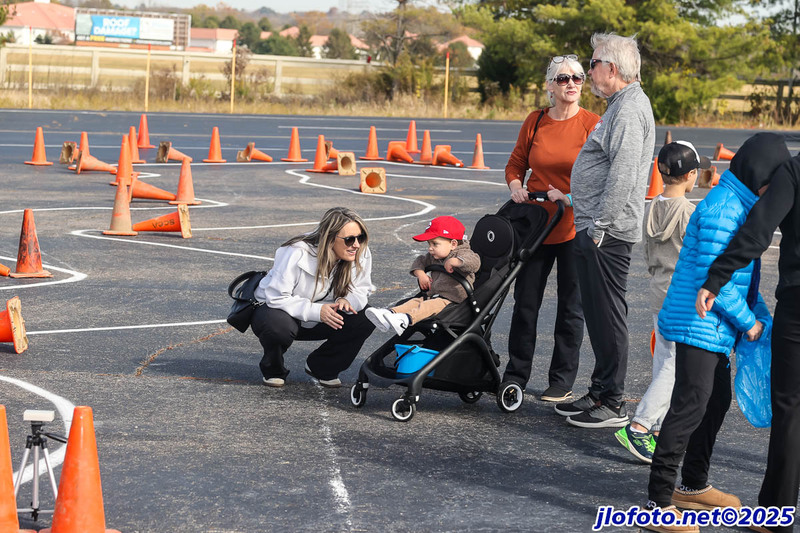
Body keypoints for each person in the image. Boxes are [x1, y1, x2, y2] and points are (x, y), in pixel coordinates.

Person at [642, 133, 790, 533]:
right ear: (758, 175)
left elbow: (743, 280)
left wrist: (758, 313)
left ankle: (691, 485)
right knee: (690, 406)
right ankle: (657, 502)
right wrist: (751, 323)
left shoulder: (740, 207)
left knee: (716, 399)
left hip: (712, 326)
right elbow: (717, 282)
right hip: (698, 323)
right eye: (772, 183)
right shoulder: (725, 210)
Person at [554, 33, 656, 428]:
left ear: (611, 68)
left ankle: (613, 401)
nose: (588, 72)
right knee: (596, 314)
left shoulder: (630, 109)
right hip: (598, 228)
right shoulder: (620, 105)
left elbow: (625, 175)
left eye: (593, 64)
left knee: (608, 315)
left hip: (606, 233)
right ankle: (600, 391)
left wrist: (600, 226)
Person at [697, 147, 799, 533]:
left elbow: (759, 229)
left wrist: (717, 275)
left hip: (798, 300)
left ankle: (776, 515)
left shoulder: (794, 170)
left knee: (790, 409)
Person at [502, 54, 600, 402]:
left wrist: (569, 196)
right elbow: (516, 163)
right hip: (537, 225)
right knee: (525, 303)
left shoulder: (593, 124)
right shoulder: (536, 121)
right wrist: (515, 184)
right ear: (549, 86)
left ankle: (561, 379)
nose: (571, 83)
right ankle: (515, 373)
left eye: (577, 77)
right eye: (563, 78)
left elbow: (601, 178)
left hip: (575, 226)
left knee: (571, 308)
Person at [613, 141, 706, 464]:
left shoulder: (652, 207)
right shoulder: (690, 214)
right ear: (691, 175)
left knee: (664, 359)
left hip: (657, 289)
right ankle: (639, 426)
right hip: (680, 295)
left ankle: (655, 425)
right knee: (673, 365)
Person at [250, 207, 376, 388]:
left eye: (360, 237)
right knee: (276, 325)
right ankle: (273, 369)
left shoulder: (360, 252)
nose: (356, 244)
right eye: (349, 239)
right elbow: (276, 297)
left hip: (325, 314)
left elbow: (362, 289)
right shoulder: (296, 251)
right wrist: (317, 311)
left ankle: (323, 367)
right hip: (281, 312)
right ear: (330, 238)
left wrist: (347, 300)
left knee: (366, 318)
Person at [366, 215, 480, 335]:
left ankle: (405, 320)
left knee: (427, 306)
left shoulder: (464, 253)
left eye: (435, 244)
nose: (430, 249)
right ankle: (389, 315)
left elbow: (474, 262)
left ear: (453, 244)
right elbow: (420, 261)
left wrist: (456, 261)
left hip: (454, 300)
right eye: (429, 244)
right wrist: (421, 274)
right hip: (436, 295)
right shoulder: (435, 255)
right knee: (415, 302)